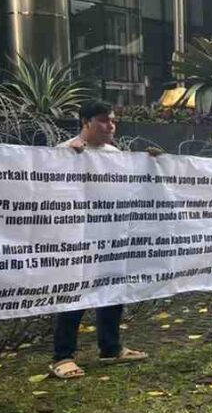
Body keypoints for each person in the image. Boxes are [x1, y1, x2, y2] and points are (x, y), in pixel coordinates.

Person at [50, 101, 148, 379]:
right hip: (78, 238)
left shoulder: (114, 155)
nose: (110, 126)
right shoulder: (65, 151)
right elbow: (51, 192)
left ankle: (111, 348)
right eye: (104, 120)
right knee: (74, 294)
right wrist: (68, 159)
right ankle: (62, 356)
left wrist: (152, 164)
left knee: (112, 291)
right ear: (86, 121)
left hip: (110, 236)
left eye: (113, 120)